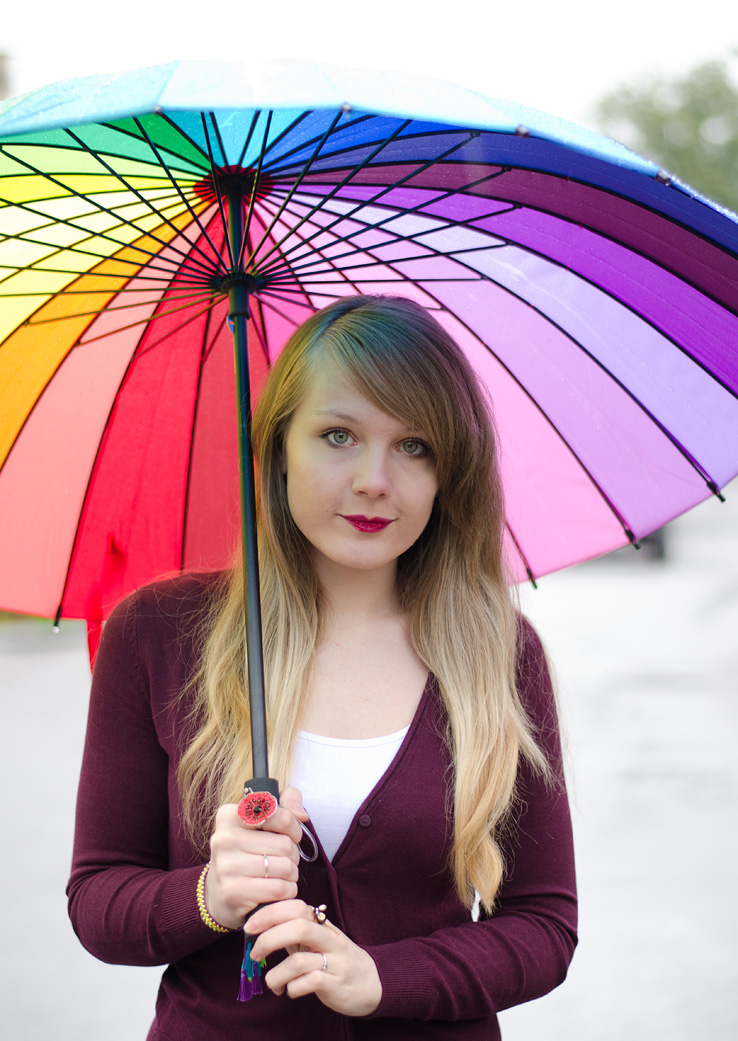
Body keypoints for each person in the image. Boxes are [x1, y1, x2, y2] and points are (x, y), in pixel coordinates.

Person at [67, 294, 577, 1040]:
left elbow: (543, 923)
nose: (375, 479)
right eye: (338, 434)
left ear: (449, 473)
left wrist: (383, 978)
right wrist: (210, 895)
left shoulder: (498, 651)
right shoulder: (157, 633)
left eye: (415, 447)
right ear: (276, 447)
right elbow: (98, 899)